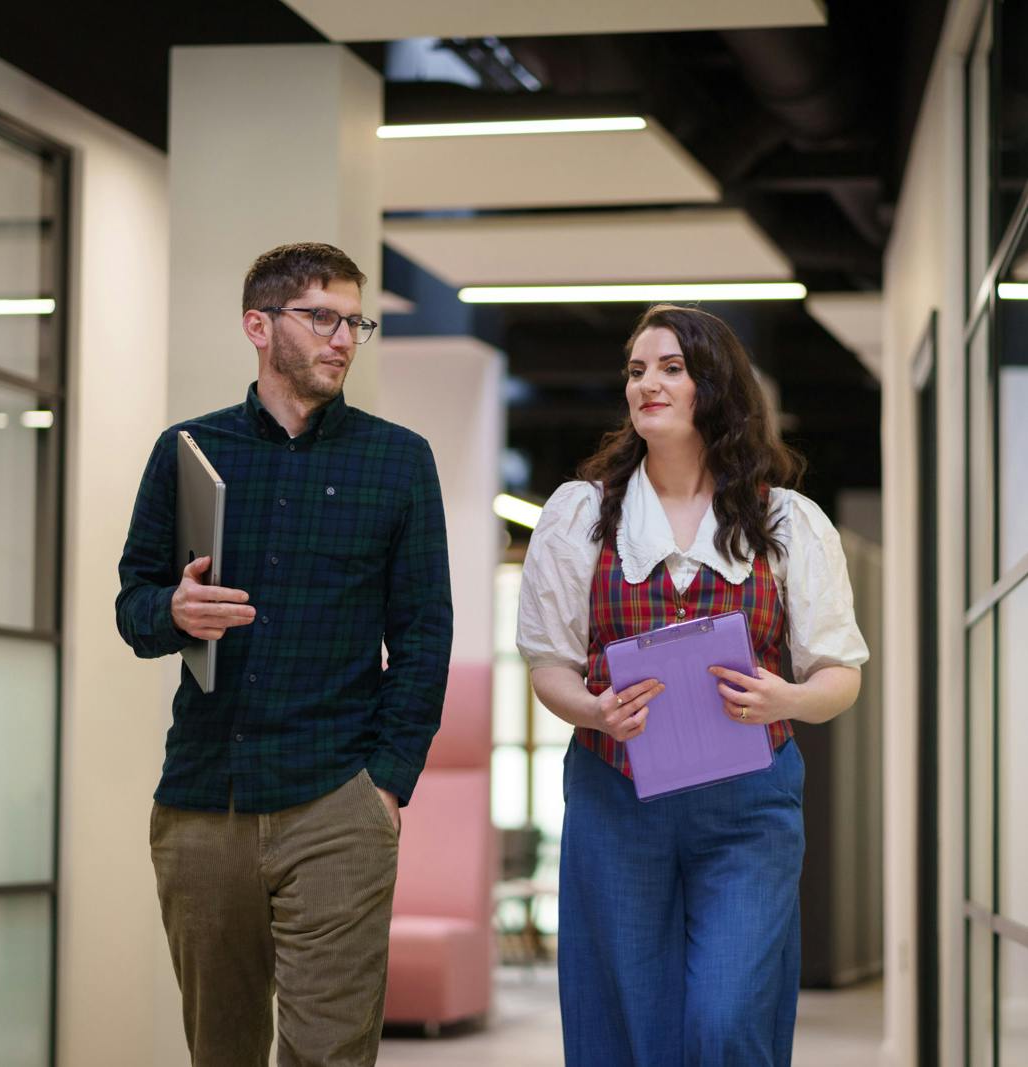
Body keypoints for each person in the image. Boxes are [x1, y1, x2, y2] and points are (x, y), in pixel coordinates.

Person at [116, 242, 453, 1067]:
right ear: (258, 325)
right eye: (322, 318)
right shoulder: (186, 450)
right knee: (221, 1050)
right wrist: (172, 609)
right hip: (204, 799)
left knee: (329, 1053)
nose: (342, 339)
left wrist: (386, 783)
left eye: (354, 322)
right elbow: (133, 607)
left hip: (337, 800)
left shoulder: (398, 460)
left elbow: (423, 633)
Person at [516, 303, 868, 1067]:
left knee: (726, 1012)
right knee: (627, 1019)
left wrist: (786, 697)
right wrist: (593, 710)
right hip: (615, 797)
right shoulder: (580, 515)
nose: (647, 383)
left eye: (670, 368)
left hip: (748, 804)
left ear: (715, 386)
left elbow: (839, 675)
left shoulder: (787, 522)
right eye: (636, 370)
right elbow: (548, 665)